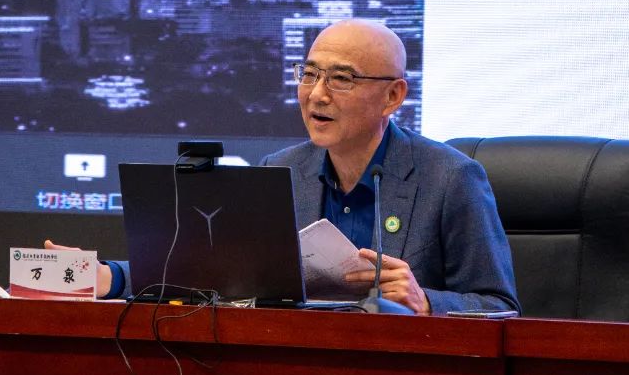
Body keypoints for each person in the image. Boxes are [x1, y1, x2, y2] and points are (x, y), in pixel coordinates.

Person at [50, 19, 519, 315]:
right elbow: (210, 272)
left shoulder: (450, 179)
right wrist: (109, 276)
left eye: (341, 79)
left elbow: (500, 306)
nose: (317, 94)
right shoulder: (282, 170)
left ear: (393, 96)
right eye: (309, 74)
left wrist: (426, 301)